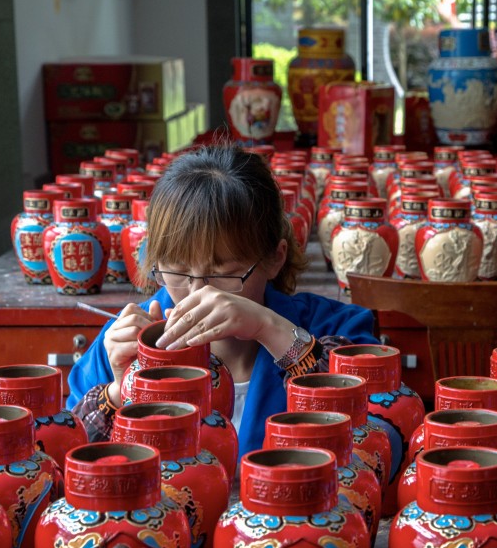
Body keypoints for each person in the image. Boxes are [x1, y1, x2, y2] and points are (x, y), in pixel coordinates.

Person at [67, 144, 378, 460]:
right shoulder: (122, 342)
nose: (198, 292)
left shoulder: (337, 328)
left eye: (225, 273)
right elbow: (66, 459)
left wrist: (269, 328)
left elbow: (377, 442)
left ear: (275, 258)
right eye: (177, 270)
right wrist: (121, 393)